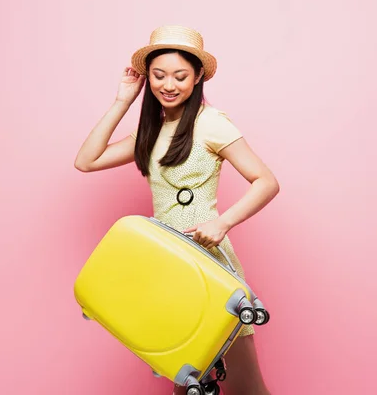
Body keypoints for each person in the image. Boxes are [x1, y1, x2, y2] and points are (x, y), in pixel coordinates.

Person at [74, 25, 279, 395]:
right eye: (159, 75)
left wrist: (223, 222)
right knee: (188, 382)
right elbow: (86, 161)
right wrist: (123, 100)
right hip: (167, 269)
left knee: (247, 388)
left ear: (198, 77)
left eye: (180, 76)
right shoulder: (150, 130)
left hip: (209, 265)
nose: (169, 84)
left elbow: (266, 181)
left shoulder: (211, 123)